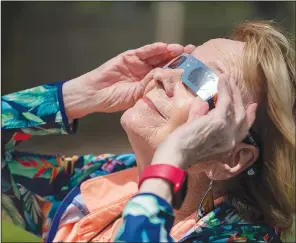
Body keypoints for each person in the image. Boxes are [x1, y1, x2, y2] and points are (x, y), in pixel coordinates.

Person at [2, 20, 295, 243]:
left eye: (200, 80)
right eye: (180, 63)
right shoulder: (108, 179)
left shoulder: (241, 237)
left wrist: (169, 164)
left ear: (233, 157)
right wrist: (72, 98)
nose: (161, 75)